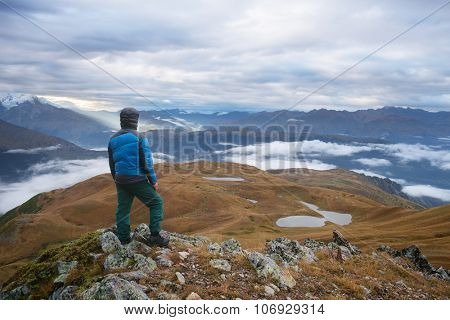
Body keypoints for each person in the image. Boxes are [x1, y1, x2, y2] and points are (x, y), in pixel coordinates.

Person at [108, 107, 169, 247]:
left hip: (120, 178)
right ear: (136, 120)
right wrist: (153, 181)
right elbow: (147, 162)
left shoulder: (112, 139)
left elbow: (112, 163)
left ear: (121, 120)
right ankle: (154, 236)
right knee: (156, 203)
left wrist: (117, 179)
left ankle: (123, 238)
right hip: (136, 178)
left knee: (123, 208)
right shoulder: (140, 137)